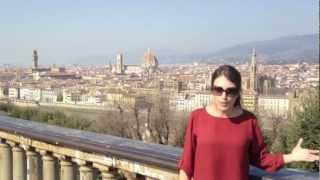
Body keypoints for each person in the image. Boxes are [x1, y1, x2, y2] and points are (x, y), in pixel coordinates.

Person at [178, 65, 319, 180]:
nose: (224, 96)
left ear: (238, 92)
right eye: (218, 90)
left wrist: (292, 157)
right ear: (211, 90)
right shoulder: (197, 117)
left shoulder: (248, 121)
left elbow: (262, 159)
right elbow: (187, 165)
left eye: (230, 91)